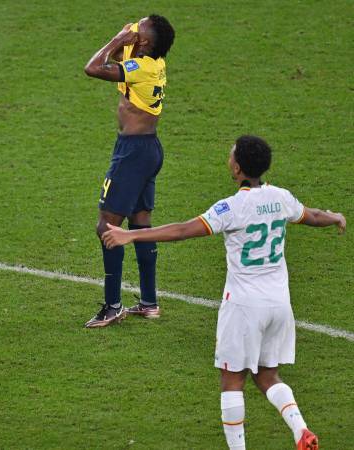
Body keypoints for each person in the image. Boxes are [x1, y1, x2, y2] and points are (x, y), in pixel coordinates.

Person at [103, 136, 346, 450]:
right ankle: (301, 431)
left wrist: (130, 235)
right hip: (279, 305)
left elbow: (181, 230)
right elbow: (311, 216)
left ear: (238, 168)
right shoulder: (281, 197)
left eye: (232, 154)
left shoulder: (232, 207)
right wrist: (335, 217)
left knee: (232, 382)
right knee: (268, 375)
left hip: (244, 307)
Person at [83, 15, 175, 327]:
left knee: (107, 227)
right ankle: (149, 302)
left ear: (145, 43)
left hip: (132, 153)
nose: (133, 27)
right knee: (140, 224)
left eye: (140, 27)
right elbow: (127, 62)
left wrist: (117, 40)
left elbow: (93, 68)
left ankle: (113, 305)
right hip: (149, 148)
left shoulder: (143, 67)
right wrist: (129, 41)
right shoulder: (153, 61)